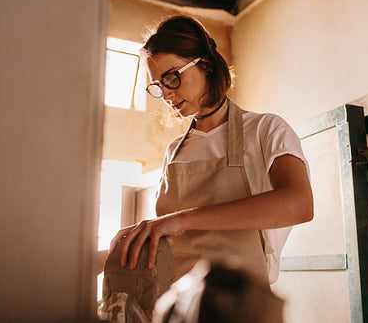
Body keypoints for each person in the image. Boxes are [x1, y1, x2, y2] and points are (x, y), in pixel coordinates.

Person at [109, 15, 314, 285]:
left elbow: (299, 204)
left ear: (205, 64)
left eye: (171, 77)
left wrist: (184, 219)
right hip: (178, 302)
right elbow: (168, 241)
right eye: (158, 86)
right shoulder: (174, 152)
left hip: (240, 305)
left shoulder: (266, 129)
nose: (167, 94)